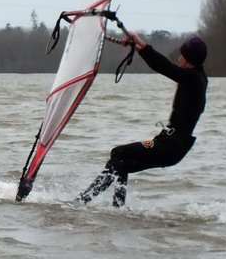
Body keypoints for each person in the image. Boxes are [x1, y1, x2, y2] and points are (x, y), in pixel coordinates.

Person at [76, 34, 208, 207]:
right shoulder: (195, 77)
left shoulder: (194, 79)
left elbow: (166, 67)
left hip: (172, 146)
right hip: (170, 144)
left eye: (182, 55)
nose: (179, 57)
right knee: (121, 163)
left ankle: (83, 201)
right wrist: (136, 47)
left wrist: (142, 44)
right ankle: (116, 208)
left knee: (119, 153)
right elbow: (166, 66)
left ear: (189, 59)